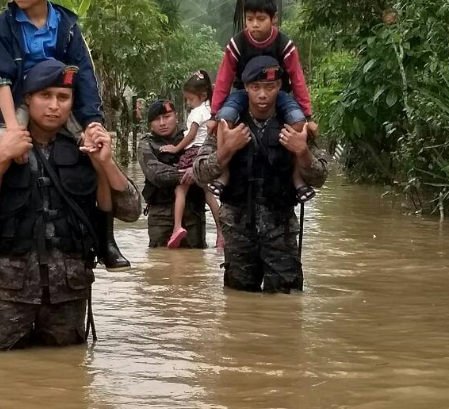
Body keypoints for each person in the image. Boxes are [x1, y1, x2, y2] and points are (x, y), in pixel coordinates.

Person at [0, 60, 141, 350]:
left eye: (63, 97)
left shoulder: (86, 149)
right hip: (8, 299)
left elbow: (131, 210)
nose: (54, 106)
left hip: (68, 300)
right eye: (45, 96)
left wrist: (107, 164)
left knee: (67, 383)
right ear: (28, 98)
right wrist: (0, 158)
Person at [0, 0, 129, 281]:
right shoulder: (3, 25)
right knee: (3, 153)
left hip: (59, 100)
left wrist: (93, 122)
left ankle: (107, 239)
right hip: (12, 103)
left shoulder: (67, 25)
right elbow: (0, 77)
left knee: (97, 151)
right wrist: (12, 131)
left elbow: (83, 75)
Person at [194, 56, 328, 293]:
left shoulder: (294, 124)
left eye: (269, 87)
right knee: (239, 302)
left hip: (281, 227)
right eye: (255, 88)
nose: (262, 95)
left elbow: (320, 178)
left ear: (279, 87)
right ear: (245, 88)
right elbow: (200, 173)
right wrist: (227, 150)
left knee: (287, 300)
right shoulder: (227, 124)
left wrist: (303, 152)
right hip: (237, 229)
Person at [208, 0, 316, 203]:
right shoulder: (237, 44)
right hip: (243, 92)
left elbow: (298, 80)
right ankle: (224, 172)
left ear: (273, 19)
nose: (254, 24)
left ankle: (297, 179)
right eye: (249, 19)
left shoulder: (284, 45)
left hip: (280, 94)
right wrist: (213, 116)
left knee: (298, 122)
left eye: (260, 19)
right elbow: (223, 80)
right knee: (224, 119)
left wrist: (308, 117)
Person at [157, 71, 223, 249]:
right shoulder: (212, 110)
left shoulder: (197, 112)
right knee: (209, 193)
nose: (188, 103)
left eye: (190, 99)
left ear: (202, 96)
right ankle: (221, 231)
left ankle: (177, 227)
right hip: (207, 154)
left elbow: (192, 135)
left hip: (194, 152)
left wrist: (177, 148)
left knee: (180, 190)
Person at [137, 99, 207, 249]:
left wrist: (197, 173)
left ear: (176, 117)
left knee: (194, 262)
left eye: (166, 117)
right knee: (160, 262)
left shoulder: (193, 138)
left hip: (192, 214)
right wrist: (189, 174)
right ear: (150, 124)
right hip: (160, 217)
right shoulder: (147, 144)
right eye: (156, 119)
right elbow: (155, 174)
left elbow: (211, 163)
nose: (162, 123)